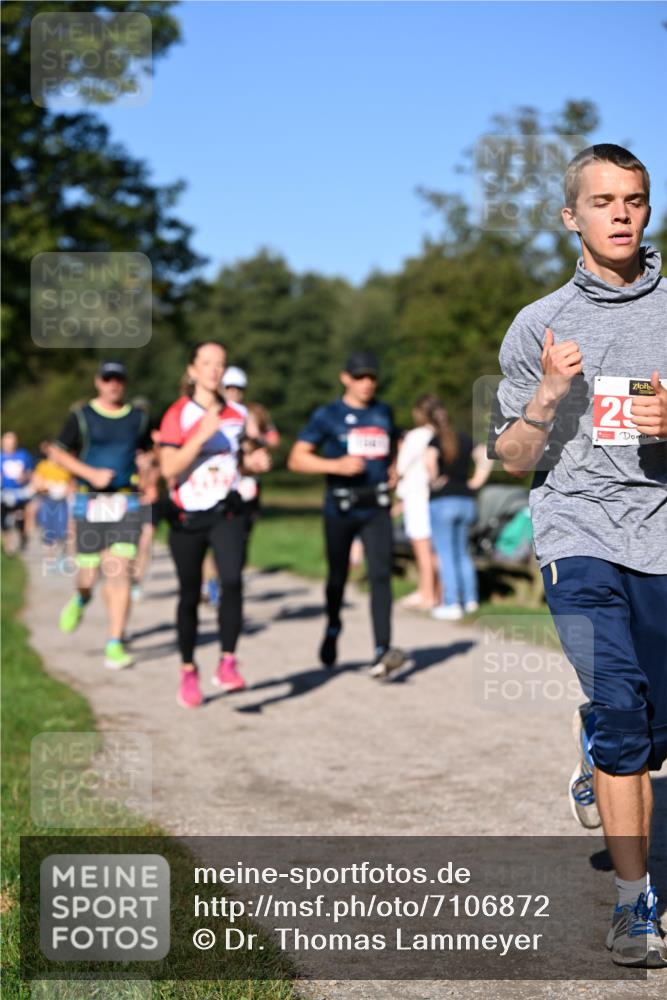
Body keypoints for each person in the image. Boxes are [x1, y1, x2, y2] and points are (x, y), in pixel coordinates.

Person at [490, 144, 667, 967]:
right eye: (602, 202)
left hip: (660, 537)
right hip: (577, 535)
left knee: (649, 726)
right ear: (571, 217)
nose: (621, 214)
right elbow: (514, 459)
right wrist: (547, 395)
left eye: (633, 199)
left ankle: (598, 750)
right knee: (624, 709)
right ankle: (634, 907)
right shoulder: (538, 324)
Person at [159, 342, 271, 709]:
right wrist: (201, 434)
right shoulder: (178, 414)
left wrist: (256, 461)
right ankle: (188, 670)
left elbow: (242, 459)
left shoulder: (238, 413)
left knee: (233, 582)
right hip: (188, 517)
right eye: (206, 363)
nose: (213, 370)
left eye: (219, 364)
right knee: (190, 595)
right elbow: (170, 469)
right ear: (192, 370)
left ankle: (227, 662)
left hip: (227, 510)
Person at [288, 350, 407, 679]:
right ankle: (332, 625)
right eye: (359, 377)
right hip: (340, 507)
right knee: (337, 576)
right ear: (345, 378)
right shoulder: (328, 415)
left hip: (376, 507)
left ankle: (383, 650)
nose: (367, 384)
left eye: (371, 377)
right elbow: (297, 459)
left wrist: (394, 469)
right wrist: (334, 465)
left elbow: (394, 446)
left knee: (381, 574)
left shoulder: (383, 411)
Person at [49, 361, 153, 670]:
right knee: (89, 575)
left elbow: (149, 451)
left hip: (125, 502)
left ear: (124, 383)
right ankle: (81, 599)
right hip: (90, 500)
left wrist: (148, 469)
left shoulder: (138, 418)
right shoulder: (82, 416)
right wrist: (89, 473)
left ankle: (114, 642)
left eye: (118, 379)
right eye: (108, 379)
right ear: (98, 382)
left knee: (120, 571)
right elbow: (57, 452)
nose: (113, 385)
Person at [426, 404, 493, 620]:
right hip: (466, 500)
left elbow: (429, 462)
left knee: (446, 554)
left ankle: (452, 602)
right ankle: (471, 600)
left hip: (443, 501)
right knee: (462, 552)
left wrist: (435, 480)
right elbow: (486, 456)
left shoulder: (434, 441)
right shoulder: (465, 439)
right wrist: (476, 482)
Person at [395, 394, 442, 610]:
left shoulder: (415, 436)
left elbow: (400, 467)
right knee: (434, 549)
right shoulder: (442, 435)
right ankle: (437, 591)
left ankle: (427, 594)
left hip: (416, 495)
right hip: (435, 496)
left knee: (422, 548)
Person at [31, 440, 72, 558]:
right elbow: (36, 484)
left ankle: (61, 551)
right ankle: (49, 551)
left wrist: (65, 489)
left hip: (62, 501)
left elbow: (71, 484)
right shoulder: (42, 466)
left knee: (62, 526)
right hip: (48, 500)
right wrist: (49, 486)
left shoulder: (66, 468)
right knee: (48, 525)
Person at [1, 431, 34, 554]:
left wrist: (24, 477)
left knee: (20, 518)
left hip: (20, 493)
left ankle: (22, 537)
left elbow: (30, 473)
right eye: (6, 442)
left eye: (11, 442)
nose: (9, 445)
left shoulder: (23, 455)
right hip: (4, 493)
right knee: (4, 521)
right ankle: (8, 546)